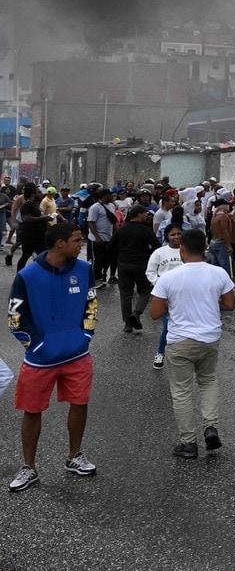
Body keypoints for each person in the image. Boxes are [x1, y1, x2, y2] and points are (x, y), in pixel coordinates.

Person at [6, 223, 98, 492]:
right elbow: (15, 318)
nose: (81, 244)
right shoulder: (28, 275)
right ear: (60, 243)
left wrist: (86, 336)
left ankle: (75, 456)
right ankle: (29, 467)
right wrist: (37, 345)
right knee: (32, 411)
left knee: (80, 404)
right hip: (40, 360)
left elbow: (91, 304)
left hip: (78, 355)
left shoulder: (84, 270)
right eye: (76, 240)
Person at [148, 229, 235, 459]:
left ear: (182, 250)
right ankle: (210, 427)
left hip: (180, 341)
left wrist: (173, 302)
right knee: (208, 382)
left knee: (182, 392)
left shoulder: (169, 278)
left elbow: (155, 313)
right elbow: (230, 304)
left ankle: (188, 443)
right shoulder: (219, 274)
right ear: (205, 247)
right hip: (210, 338)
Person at [113, 205, 160, 334]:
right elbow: (157, 245)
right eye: (145, 214)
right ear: (138, 214)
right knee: (145, 290)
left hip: (123, 265)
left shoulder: (121, 230)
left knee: (126, 295)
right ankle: (137, 313)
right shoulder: (145, 230)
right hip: (141, 264)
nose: (147, 216)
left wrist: (121, 254)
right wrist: (147, 252)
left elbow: (111, 247)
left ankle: (128, 324)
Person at [145, 225, 185, 369]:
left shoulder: (187, 251)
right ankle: (160, 353)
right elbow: (150, 272)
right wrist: (161, 285)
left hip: (185, 295)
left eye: (179, 234)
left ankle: (182, 356)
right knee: (168, 326)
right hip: (165, 296)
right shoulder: (159, 252)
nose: (176, 237)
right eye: (172, 234)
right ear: (166, 236)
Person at [87, 188, 117, 287]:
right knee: (97, 260)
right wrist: (97, 237)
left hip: (108, 238)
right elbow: (91, 222)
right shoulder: (95, 207)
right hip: (97, 239)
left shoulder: (112, 206)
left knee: (107, 259)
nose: (112, 197)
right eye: (109, 195)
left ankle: (103, 277)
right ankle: (95, 279)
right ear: (104, 196)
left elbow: (113, 222)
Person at [207, 199, 233, 277]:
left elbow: (211, 230)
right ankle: (226, 285)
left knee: (215, 267)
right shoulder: (223, 216)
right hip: (221, 243)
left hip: (213, 242)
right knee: (224, 267)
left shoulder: (214, 216)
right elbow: (224, 231)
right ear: (223, 206)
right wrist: (228, 245)